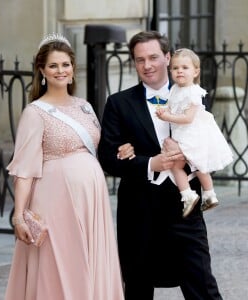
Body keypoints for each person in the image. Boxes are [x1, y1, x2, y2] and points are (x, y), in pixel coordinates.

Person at [5, 33, 133, 300]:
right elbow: (25, 171)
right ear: (42, 70)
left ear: (73, 68)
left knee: (90, 262)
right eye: (53, 65)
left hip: (91, 202)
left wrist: (125, 149)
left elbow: (100, 149)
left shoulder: (84, 107)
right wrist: (19, 216)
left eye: (65, 64)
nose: (60, 70)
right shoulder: (35, 112)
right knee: (61, 266)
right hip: (54, 202)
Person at [98, 30, 223, 300]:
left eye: (154, 57)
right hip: (138, 210)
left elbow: (210, 144)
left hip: (184, 206)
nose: (148, 65)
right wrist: (149, 162)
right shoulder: (119, 103)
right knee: (138, 288)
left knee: (202, 286)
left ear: (167, 57)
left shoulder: (193, 96)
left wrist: (188, 153)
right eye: (140, 60)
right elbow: (107, 158)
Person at [155, 48, 233, 217]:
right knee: (192, 165)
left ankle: (193, 194)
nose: (179, 71)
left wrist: (167, 116)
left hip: (192, 134)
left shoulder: (194, 92)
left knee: (187, 166)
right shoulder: (175, 89)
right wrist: (164, 110)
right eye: (175, 68)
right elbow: (171, 105)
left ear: (196, 71)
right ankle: (207, 195)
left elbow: (188, 118)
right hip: (181, 133)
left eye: (185, 67)